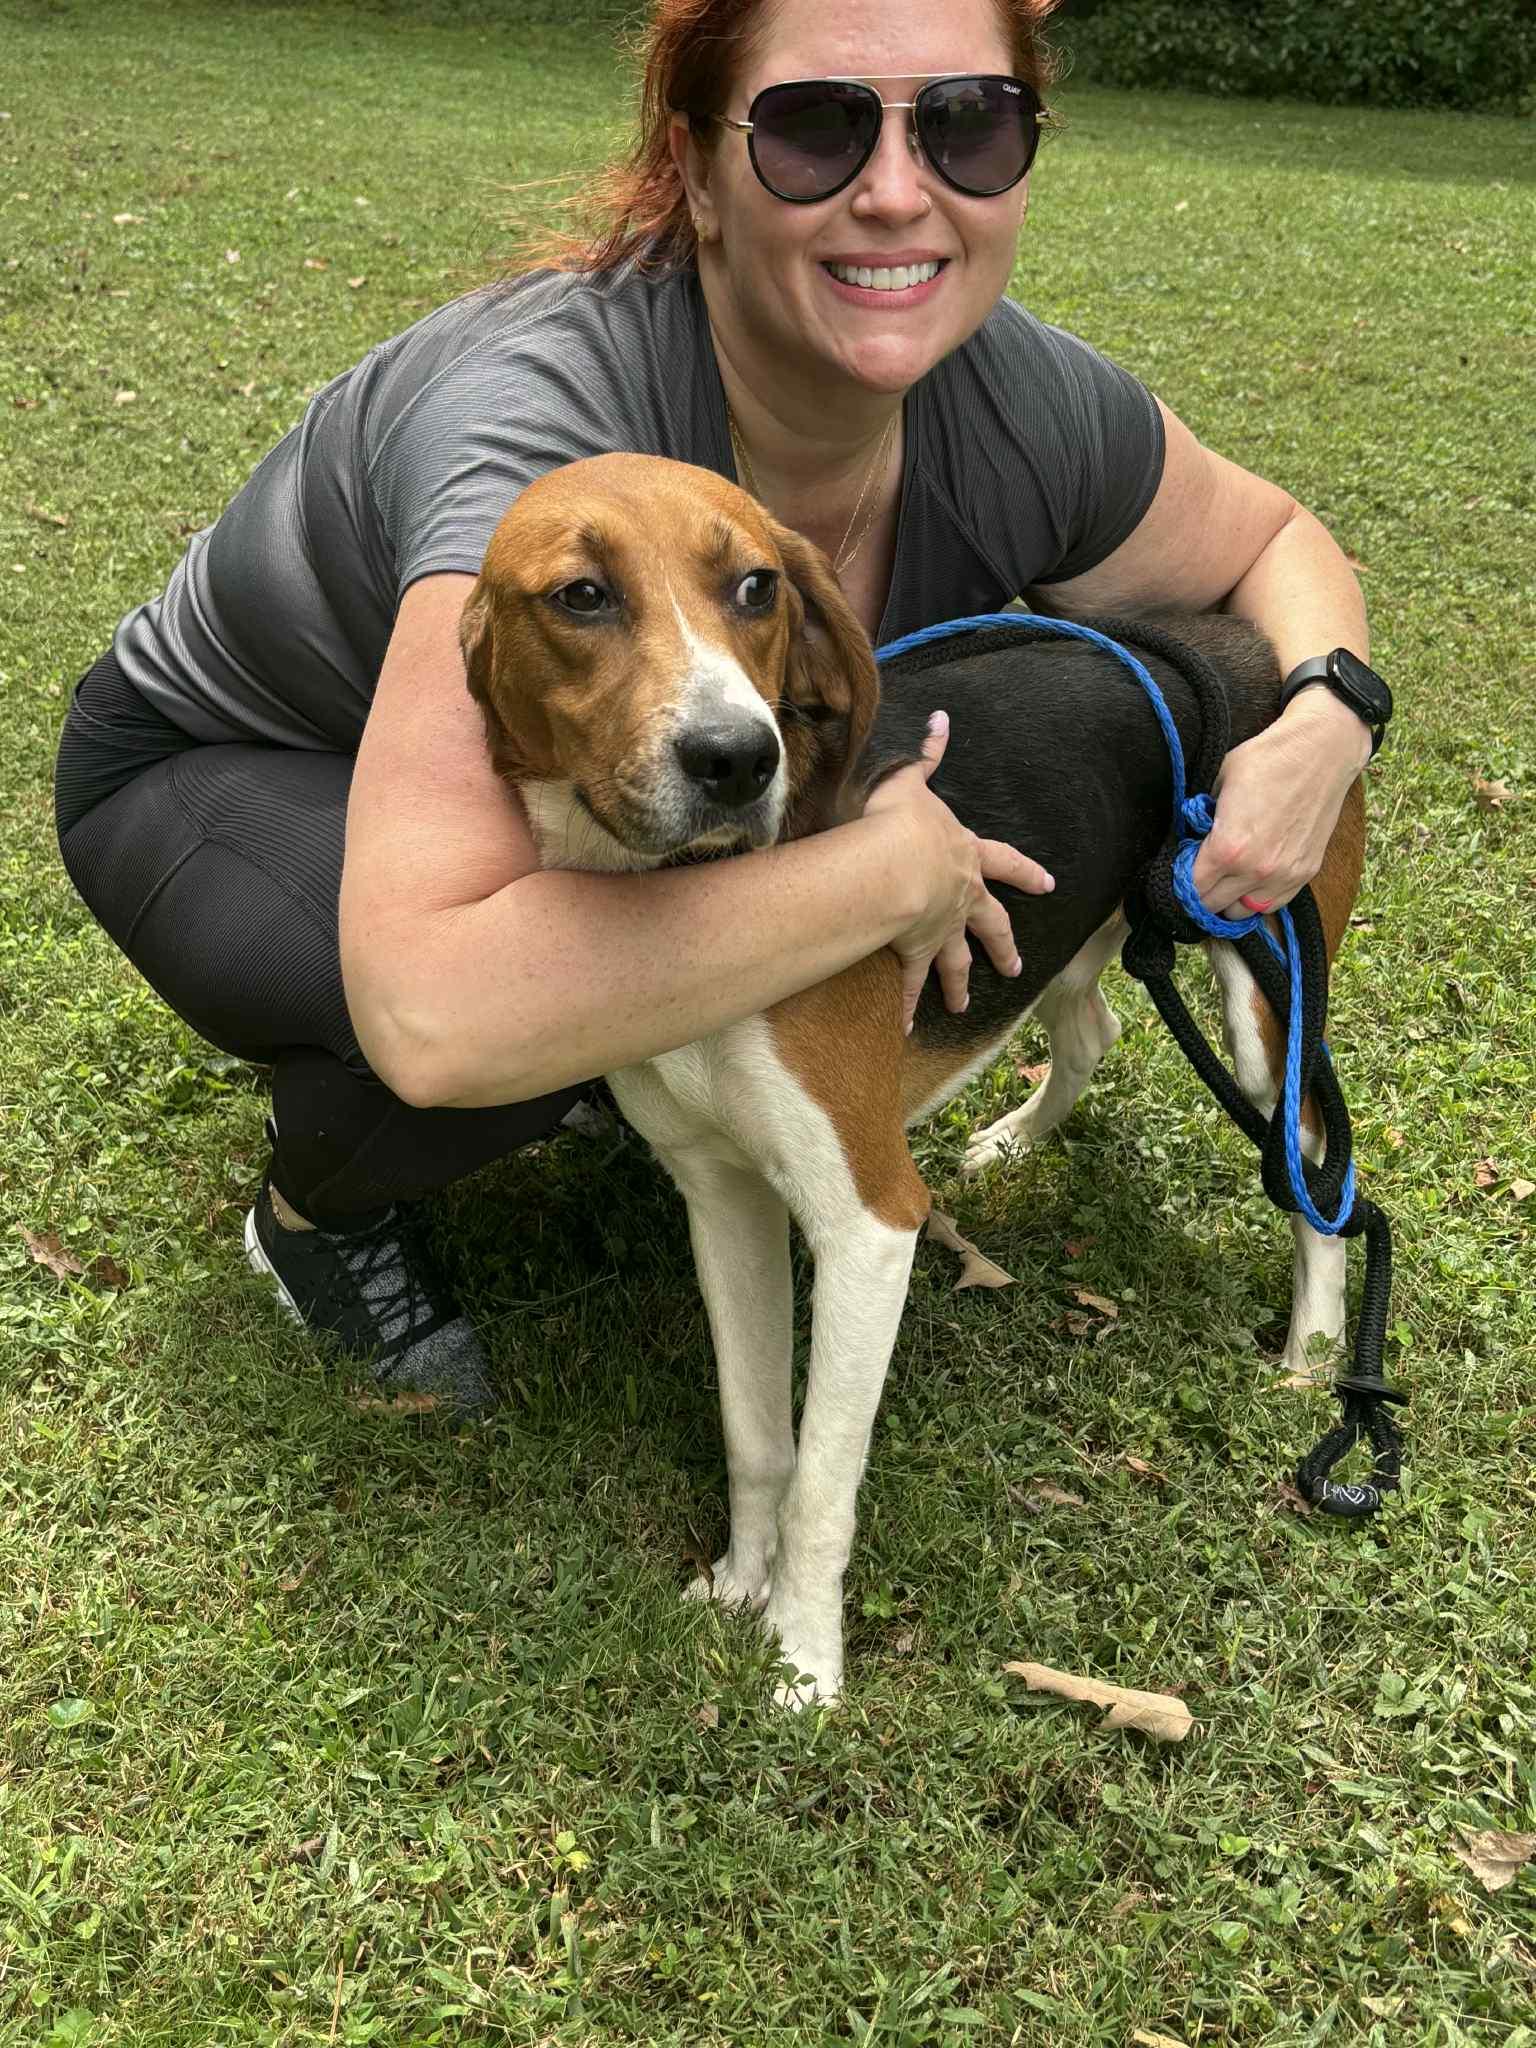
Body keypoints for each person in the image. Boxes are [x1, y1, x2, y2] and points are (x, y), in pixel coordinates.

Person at [54, 0, 1379, 1411]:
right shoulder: (536, 428)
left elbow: (1273, 543)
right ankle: (317, 1215)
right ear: (695, 172)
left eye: (967, 125)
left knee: (659, 948)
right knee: (560, 1005)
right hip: (228, 773)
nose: (893, 192)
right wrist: (883, 873)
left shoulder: (1008, 393)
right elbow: (437, 1009)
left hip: (544, 796)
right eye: (814, 128)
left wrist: (1326, 717)